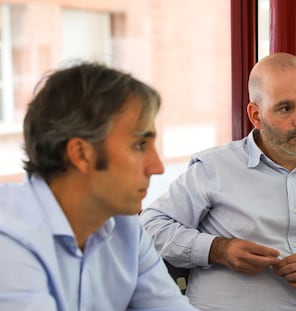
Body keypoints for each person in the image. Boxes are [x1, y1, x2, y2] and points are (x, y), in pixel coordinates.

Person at [140, 52, 296, 311]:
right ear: (256, 115)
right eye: (285, 108)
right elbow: (149, 226)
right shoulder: (214, 168)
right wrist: (218, 249)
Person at [0, 62, 199, 311]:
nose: (157, 167)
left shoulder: (125, 227)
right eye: (139, 146)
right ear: (81, 154)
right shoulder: (9, 236)